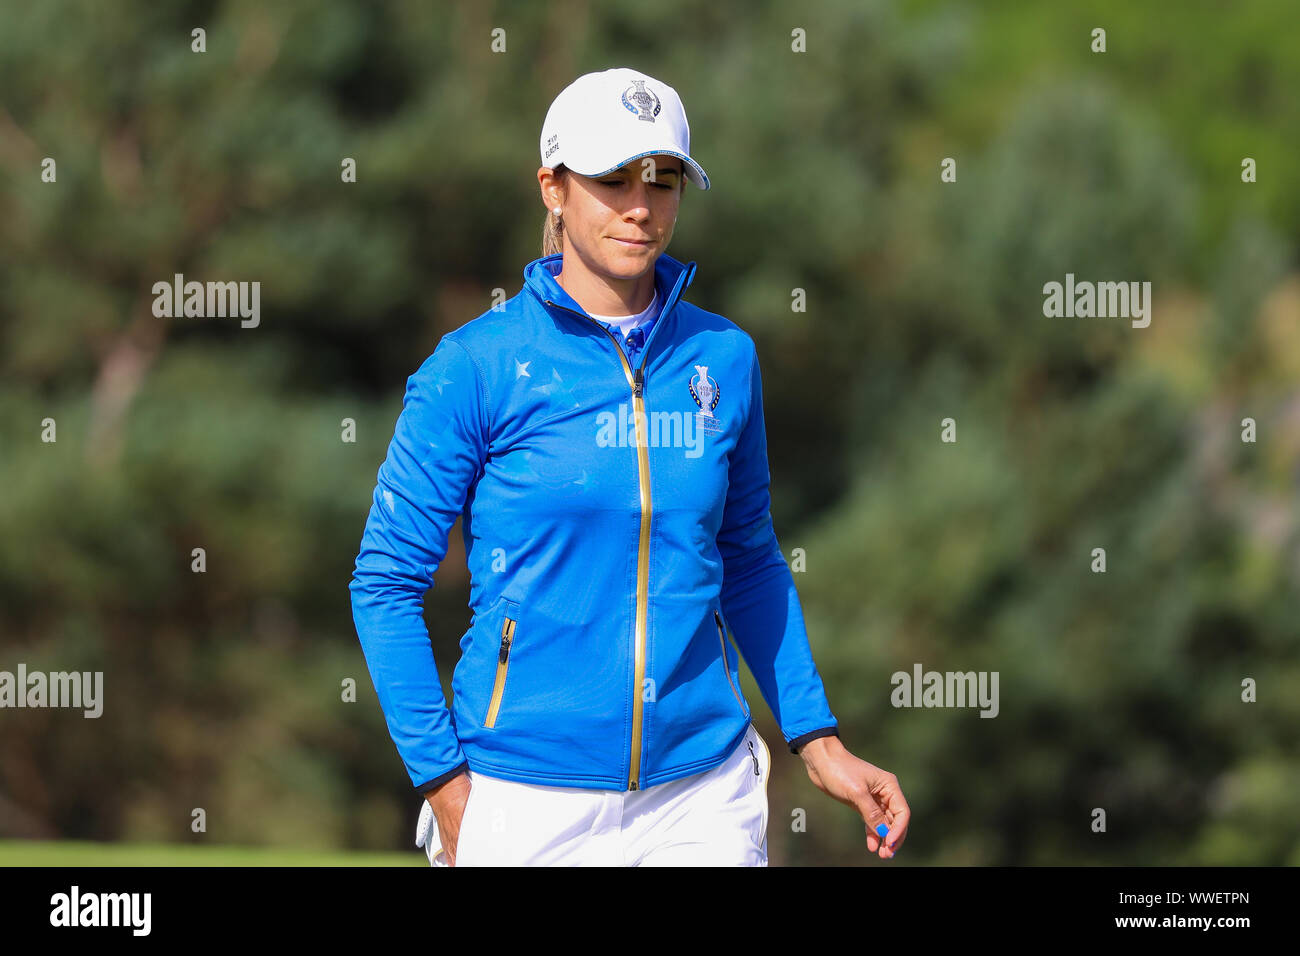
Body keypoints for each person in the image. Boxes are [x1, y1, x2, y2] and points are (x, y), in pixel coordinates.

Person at [350, 67, 910, 866]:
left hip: (701, 791)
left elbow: (747, 556)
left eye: (663, 180)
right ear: (553, 188)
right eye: (611, 180)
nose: (640, 207)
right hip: (523, 796)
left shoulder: (724, 357)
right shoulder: (475, 366)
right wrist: (445, 785)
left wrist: (816, 738)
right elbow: (384, 582)